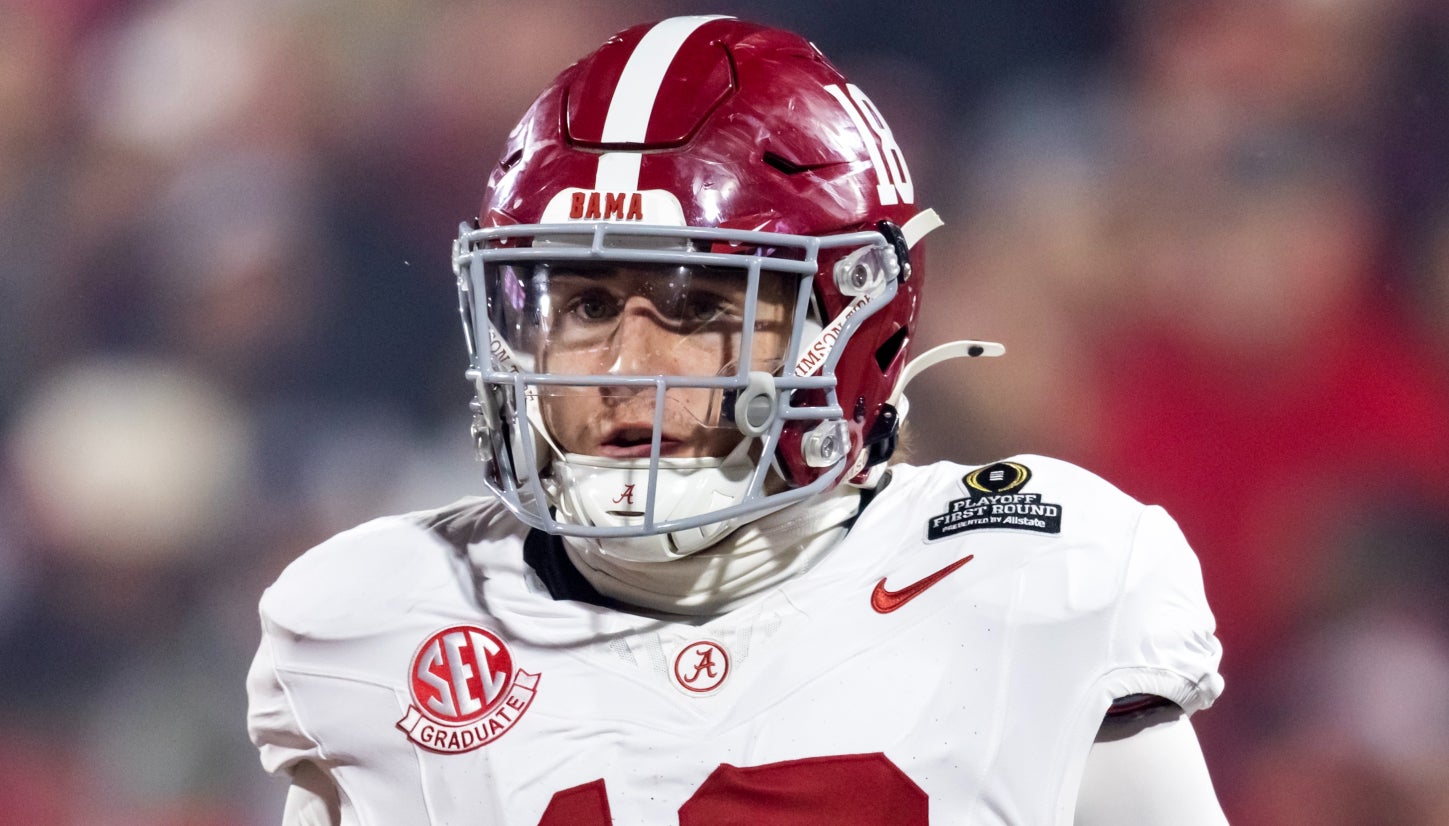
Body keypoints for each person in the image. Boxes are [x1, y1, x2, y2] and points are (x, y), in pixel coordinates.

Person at [247, 15, 1228, 825]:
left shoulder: (1027, 584)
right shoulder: (390, 626)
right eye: (584, 305)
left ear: (850, 319)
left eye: (692, 307)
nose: (625, 369)